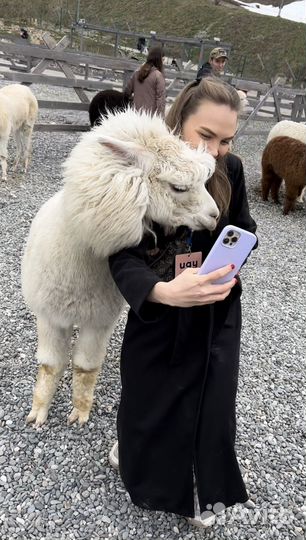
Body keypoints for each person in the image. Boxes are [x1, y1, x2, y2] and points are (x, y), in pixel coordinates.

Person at [108, 77, 257, 528]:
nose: (215, 151)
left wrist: (233, 257)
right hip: (161, 309)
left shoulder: (231, 170)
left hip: (215, 309)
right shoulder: (144, 172)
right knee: (147, 395)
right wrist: (161, 291)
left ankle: (200, 487)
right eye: (206, 136)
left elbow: (246, 227)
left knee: (211, 401)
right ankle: (134, 454)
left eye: (226, 140)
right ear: (178, 123)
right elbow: (120, 252)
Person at [124, 45, 166, 117]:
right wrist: (160, 119)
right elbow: (161, 100)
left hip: (135, 115)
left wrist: (135, 103)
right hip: (149, 119)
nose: (164, 62)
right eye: (163, 59)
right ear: (159, 59)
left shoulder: (137, 72)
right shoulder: (158, 76)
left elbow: (127, 92)